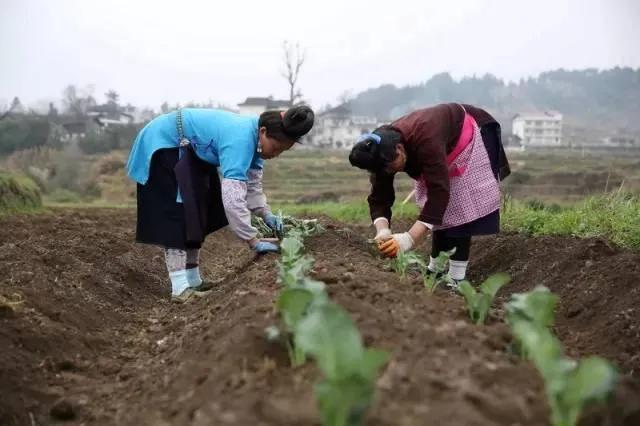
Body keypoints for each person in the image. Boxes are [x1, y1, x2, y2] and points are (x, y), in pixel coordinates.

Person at [126, 105, 314, 302]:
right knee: (179, 212)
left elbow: (252, 186)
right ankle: (180, 288)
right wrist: (253, 240)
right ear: (263, 132)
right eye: (275, 148)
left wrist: (266, 215)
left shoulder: (256, 145)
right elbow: (233, 199)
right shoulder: (240, 140)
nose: (275, 154)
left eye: (281, 152)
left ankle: (193, 280)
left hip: (193, 151)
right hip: (166, 143)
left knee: (199, 210)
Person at [349, 103, 510, 284]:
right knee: (441, 217)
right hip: (441, 152)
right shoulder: (379, 153)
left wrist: (410, 239)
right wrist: (382, 231)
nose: (388, 171)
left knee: (459, 210)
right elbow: (380, 197)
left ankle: (457, 279)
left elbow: (438, 193)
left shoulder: (426, 138)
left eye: (390, 166)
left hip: (470, 134)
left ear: (400, 149)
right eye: (383, 169)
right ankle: (435, 271)